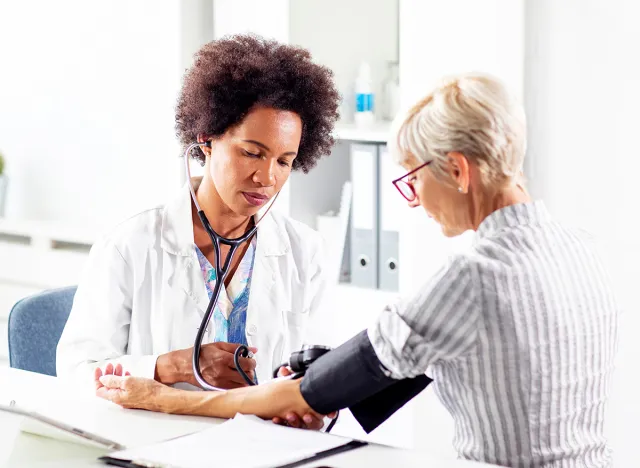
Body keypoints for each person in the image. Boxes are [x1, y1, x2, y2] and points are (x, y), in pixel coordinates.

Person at [94, 74, 619, 468]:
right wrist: (319, 386)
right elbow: (392, 371)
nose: (414, 202)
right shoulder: (581, 249)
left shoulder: (474, 276)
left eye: (412, 180)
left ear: (457, 170)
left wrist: (166, 398)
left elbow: (314, 392)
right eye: (252, 152)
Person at [56, 34, 340, 393]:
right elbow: (76, 370)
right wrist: (170, 367)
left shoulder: (305, 252)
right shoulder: (131, 245)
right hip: (156, 440)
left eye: (284, 161)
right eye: (252, 153)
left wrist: (310, 397)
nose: (267, 178)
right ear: (206, 140)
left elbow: (323, 371)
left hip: (267, 441)